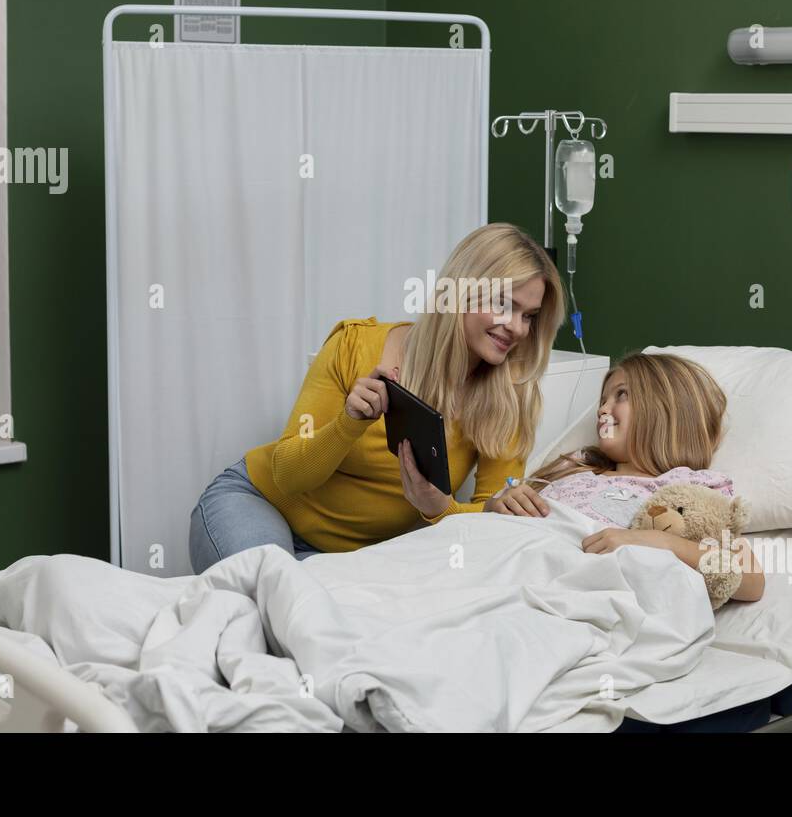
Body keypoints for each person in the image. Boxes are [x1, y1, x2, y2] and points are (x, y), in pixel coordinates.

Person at [188, 222, 566, 571]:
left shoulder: (508, 399)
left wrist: (441, 508)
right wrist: (349, 423)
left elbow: (488, 531)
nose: (517, 328)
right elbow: (286, 475)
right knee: (273, 594)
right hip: (259, 503)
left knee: (313, 626)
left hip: (354, 559)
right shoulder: (354, 344)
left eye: (529, 316)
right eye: (504, 304)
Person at [489, 353, 765, 603]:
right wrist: (499, 505)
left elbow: (750, 581)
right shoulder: (576, 467)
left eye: (621, 395)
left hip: (572, 592)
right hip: (510, 565)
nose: (602, 409)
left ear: (666, 410)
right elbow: (494, 526)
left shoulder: (690, 489)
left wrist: (662, 543)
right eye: (603, 401)